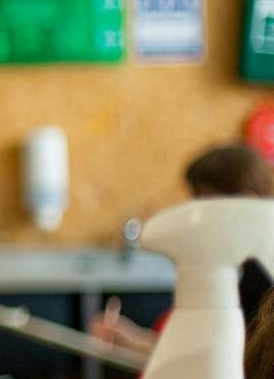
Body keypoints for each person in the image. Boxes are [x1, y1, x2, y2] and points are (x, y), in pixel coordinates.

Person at [93, 143, 274, 356]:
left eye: (204, 203)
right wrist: (130, 339)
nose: (196, 218)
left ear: (246, 200)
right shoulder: (248, 267)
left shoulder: (262, 276)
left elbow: (224, 357)